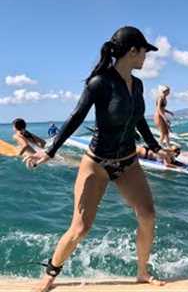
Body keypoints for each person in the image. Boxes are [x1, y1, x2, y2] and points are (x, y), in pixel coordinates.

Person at [24, 26, 166, 292]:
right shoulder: (100, 83)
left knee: (147, 215)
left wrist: (156, 148)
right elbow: (76, 117)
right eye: (145, 51)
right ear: (132, 51)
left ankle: (142, 273)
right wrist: (50, 151)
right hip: (97, 162)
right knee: (80, 228)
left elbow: (138, 120)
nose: (147, 56)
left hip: (128, 161)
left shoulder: (138, 85)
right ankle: (50, 275)